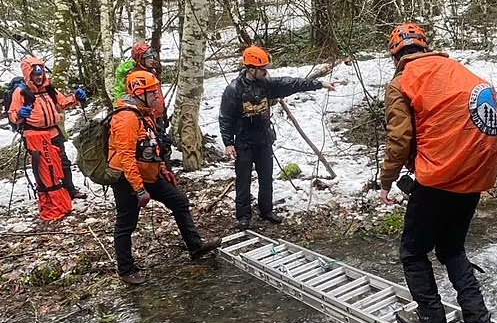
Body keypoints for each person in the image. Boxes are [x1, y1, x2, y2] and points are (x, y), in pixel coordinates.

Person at [380, 23, 497, 323]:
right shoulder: (456, 69)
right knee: (451, 247)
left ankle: (431, 321)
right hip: (474, 173)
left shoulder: (401, 82)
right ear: (426, 47)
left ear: (396, 55)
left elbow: (399, 139)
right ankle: (479, 321)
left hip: (437, 176)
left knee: (412, 251)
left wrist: (387, 180)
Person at [108, 71, 221, 285]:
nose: (157, 97)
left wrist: (162, 169)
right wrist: (139, 189)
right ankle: (126, 269)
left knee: (179, 201)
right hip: (126, 179)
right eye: (153, 93)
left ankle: (195, 246)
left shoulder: (144, 113)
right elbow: (126, 158)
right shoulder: (126, 118)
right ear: (139, 92)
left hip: (148, 173)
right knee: (126, 223)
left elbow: (151, 146)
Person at [219, 45, 337, 230]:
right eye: (262, 69)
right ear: (251, 69)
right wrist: (228, 143)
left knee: (266, 177)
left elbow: (292, 84)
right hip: (243, 142)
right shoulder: (233, 90)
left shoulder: (267, 84)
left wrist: (320, 84)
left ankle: (266, 211)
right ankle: (243, 216)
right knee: (243, 180)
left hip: (264, 140)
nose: (266, 72)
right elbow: (225, 118)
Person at [8, 56, 88, 202]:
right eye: (35, 74)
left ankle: (69, 190)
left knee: (63, 161)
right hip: (34, 135)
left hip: (53, 131)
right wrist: (19, 114)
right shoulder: (20, 92)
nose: (39, 77)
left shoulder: (49, 88)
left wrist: (75, 98)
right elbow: (12, 115)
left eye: (40, 74)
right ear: (28, 75)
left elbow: (62, 103)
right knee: (42, 166)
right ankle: (47, 195)